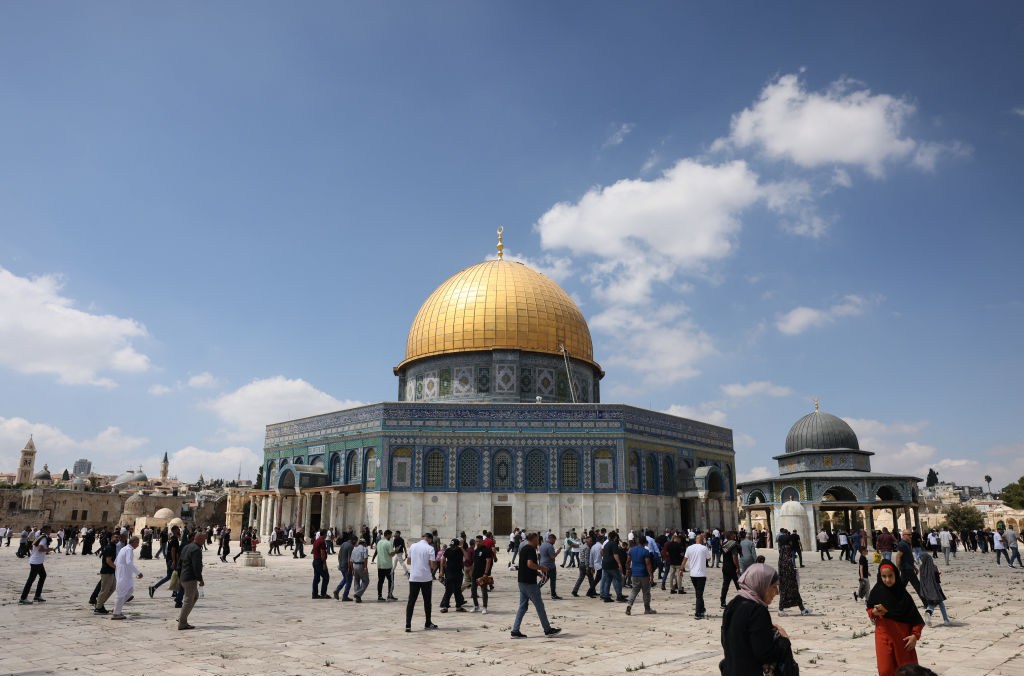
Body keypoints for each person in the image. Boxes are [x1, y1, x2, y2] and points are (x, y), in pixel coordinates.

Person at [720, 563, 795, 676]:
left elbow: (725, 641)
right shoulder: (757, 611)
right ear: (762, 585)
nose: (777, 592)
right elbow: (765, 654)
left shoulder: (733, 604)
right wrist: (784, 640)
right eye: (774, 586)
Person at [867, 561, 924, 675]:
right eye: (884, 576)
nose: (887, 580)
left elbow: (917, 620)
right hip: (883, 637)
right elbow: (869, 610)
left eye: (890, 576)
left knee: (907, 672)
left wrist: (914, 636)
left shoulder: (903, 595)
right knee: (885, 670)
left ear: (896, 576)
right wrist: (873, 612)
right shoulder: (877, 591)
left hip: (902, 640)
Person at [511, 532, 561, 638]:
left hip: (522, 581)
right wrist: (542, 568)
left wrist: (539, 574)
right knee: (540, 606)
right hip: (529, 583)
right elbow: (530, 564)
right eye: (537, 539)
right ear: (533, 539)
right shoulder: (530, 549)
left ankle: (515, 630)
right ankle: (547, 630)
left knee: (523, 606)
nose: (539, 541)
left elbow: (526, 565)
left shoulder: (524, 548)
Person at [405, 533, 438, 632]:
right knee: (427, 602)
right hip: (426, 578)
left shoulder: (413, 546)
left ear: (422, 538)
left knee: (411, 601)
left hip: (414, 577)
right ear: (430, 540)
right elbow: (432, 565)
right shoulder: (430, 548)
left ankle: (408, 625)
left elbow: (408, 562)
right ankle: (427, 622)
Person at [776, 530, 810, 615]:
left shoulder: (781, 550)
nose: (791, 542)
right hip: (789, 576)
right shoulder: (787, 549)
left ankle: (801, 609)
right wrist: (793, 572)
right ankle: (800, 609)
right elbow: (787, 562)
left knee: (786, 593)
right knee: (792, 592)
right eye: (789, 540)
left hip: (783, 576)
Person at [111, 536, 143, 620]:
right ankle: (116, 613)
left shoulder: (124, 549)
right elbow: (129, 562)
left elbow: (115, 562)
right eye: (137, 542)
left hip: (124, 575)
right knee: (121, 594)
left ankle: (116, 608)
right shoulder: (128, 550)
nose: (138, 545)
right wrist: (138, 573)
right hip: (123, 576)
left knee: (129, 591)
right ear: (133, 542)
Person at [19, 525, 53, 604]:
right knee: (31, 580)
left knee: (43, 575)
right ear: (46, 530)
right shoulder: (44, 538)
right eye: (49, 529)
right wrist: (49, 549)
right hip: (36, 562)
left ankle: (37, 596)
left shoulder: (40, 536)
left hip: (38, 561)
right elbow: (40, 548)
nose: (50, 531)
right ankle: (23, 598)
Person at [178, 531, 205, 630]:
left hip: (183, 576)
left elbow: (179, 562)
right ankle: (182, 622)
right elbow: (196, 566)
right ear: (199, 539)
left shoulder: (187, 547)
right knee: (188, 600)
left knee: (195, 596)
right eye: (203, 539)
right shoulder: (196, 550)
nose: (204, 541)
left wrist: (179, 575)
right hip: (190, 578)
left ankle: (182, 617)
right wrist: (200, 579)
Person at [625, 535, 656, 615]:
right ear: (645, 542)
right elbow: (648, 564)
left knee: (634, 590)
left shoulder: (631, 550)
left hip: (634, 573)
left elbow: (628, 561)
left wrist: (628, 570)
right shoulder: (645, 551)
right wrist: (651, 575)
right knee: (646, 592)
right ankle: (647, 609)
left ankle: (629, 605)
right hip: (643, 574)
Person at [683, 533, 711, 619]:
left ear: (695, 539)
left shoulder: (689, 548)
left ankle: (702, 608)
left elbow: (685, 559)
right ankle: (698, 613)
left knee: (698, 593)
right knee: (699, 594)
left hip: (693, 574)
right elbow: (708, 558)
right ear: (702, 540)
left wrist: (681, 569)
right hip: (701, 575)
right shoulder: (704, 548)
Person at [917, 555, 949, 626]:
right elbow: (937, 580)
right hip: (935, 589)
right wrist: (938, 573)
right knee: (941, 604)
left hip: (926, 590)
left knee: (931, 604)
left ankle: (928, 613)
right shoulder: (933, 567)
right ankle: (946, 620)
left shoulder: (921, 568)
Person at [150, 525, 181, 598]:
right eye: (178, 530)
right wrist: (174, 561)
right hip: (171, 560)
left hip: (169, 559)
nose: (179, 531)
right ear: (174, 531)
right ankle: (154, 587)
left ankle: (174, 592)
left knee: (174, 575)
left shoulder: (173, 538)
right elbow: (173, 551)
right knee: (171, 576)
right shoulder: (174, 540)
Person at [93, 533, 118, 614]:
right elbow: (108, 561)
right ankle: (98, 608)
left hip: (111, 572)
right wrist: (117, 568)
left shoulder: (113, 546)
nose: (117, 539)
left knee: (112, 588)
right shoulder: (109, 547)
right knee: (105, 590)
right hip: (107, 571)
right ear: (111, 538)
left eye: (118, 538)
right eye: (116, 537)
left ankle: (100, 604)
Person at [439, 538, 467, 612]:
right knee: (448, 590)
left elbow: (467, 557)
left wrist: (462, 548)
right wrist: (441, 571)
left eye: (454, 546)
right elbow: (443, 559)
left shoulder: (460, 550)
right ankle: (445, 606)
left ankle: (458, 606)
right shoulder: (448, 550)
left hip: (457, 573)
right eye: (452, 545)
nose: (452, 547)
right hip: (450, 573)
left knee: (457, 590)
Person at [470, 535, 493, 613]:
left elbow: (488, 561)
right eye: (476, 541)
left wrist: (486, 573)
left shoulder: (487, 550)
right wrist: (471, 572)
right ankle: (476, 606)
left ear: (482, 541)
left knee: (483, 590)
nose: (477, 543)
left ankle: (484, 607)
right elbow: (474, 562)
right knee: (473, 590)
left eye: (479, 541)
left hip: (482, 573)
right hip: (475, 573)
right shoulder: (476, 550)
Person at [373, 529, 397, 601]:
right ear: (388, 535)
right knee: (391, 581)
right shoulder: (388, 543)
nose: (391, 536)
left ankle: (379, 596)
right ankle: (390, 595)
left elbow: (377, 551)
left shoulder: (379, 542)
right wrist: (396, 551)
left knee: (380, 581)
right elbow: (391, 554)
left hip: (380, 565)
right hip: (387, 566)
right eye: (391, 535)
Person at [720, 530, 740, 608]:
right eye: (733, 535)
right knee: (739, 585)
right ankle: (743, 600)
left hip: (725, 567)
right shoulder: (733, 545)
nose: (735, 536)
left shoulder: (724, 544)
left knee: (725, 585)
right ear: (731, 536)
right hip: (732, 567)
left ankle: (722, 602)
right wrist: (737, 567)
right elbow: (734, 557)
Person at [538, 533, 562, 599]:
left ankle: (535, 590)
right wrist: (557, 552)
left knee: (544, 579)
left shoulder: (542, 544)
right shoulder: (550, 546)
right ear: (551, 539)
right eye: (554, 540)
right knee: (552, 580)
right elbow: (552, 556)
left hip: (542, 564)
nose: (554, 542)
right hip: (550, 566)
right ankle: (553, 595)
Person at [333, 534, 355, 601]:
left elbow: (339, 555)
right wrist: (351, 568)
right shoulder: (351, 546)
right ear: (353, 540)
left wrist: (339, 563)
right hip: (346, 566)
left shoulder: (343, 544)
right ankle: (345, 596)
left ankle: (337, 590)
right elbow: (350, 559)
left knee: (345, 579)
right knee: (349, 581)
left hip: (341, 565)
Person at [311, 529, 330, 599]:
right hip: (319, 562)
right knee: (326, 577)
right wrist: (324, 564)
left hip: (315, 561)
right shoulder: (322, 541)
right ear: (324, 534)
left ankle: (314, 594)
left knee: (316, 578)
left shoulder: (316, 540)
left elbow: (313, 551)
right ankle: (323, 593)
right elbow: (322, 553)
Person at [350, 537, 370, 602]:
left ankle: (358, 598)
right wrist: (365, 567)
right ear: (364, 543)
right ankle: (358, 594)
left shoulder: (354, 548)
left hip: (354, 565)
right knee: (366, 581)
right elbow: (365, 559)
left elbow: (351, 560)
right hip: (361, 565)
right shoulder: (365, 549)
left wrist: (352, 569)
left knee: (356, 581)